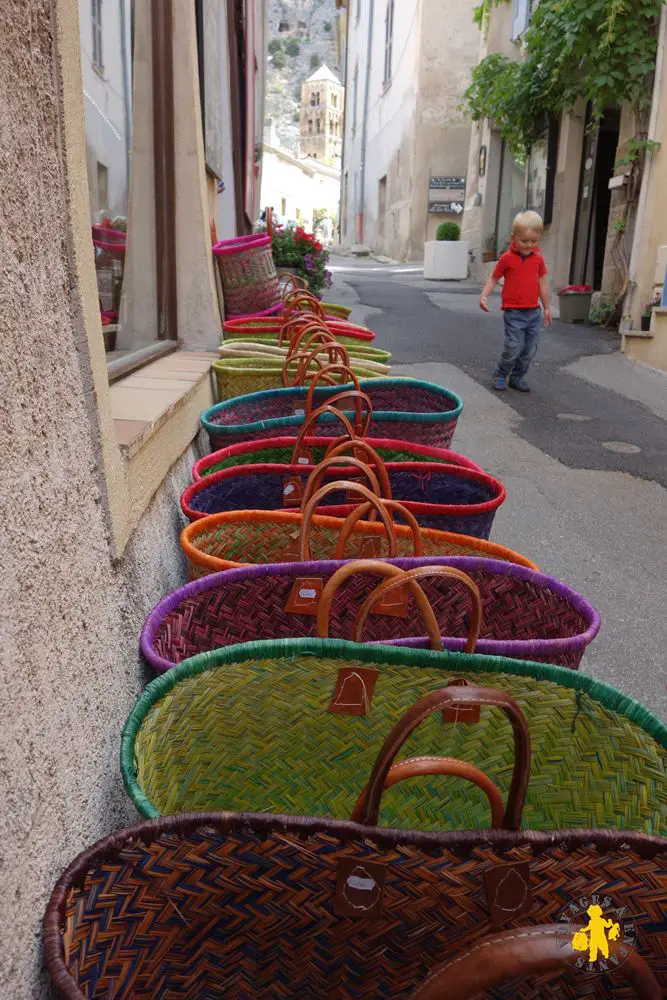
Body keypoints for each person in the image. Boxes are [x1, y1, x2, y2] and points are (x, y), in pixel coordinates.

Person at [479, 210, 552, 392]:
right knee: (513, 347)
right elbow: (494, 278)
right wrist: (484, 295)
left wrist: (547, 307)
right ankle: (501, 374)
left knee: (529, 350)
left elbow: (543, 285)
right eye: (524, 241)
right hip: (514, 312)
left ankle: (518, 377)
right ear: (514, 237)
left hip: (533, 312)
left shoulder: (538, 260)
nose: (529, 245)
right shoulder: (506, 259)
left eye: (534, 241)